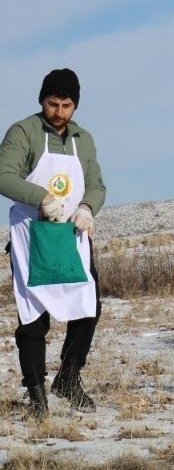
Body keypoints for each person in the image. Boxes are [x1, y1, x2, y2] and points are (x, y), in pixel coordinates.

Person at [0, 69, 105, 417]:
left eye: (66, 105)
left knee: (88, 306)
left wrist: (88, 207)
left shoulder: (83, 140)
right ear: (42, 100)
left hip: (72, 236)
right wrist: (42, 198)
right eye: (52, 104)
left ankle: (69, 377)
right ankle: (36, 391)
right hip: (33, 237)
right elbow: (3, 174)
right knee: (34, 316)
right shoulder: (24, 132)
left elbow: (96, 184)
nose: (59, 112)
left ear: (76, 105)